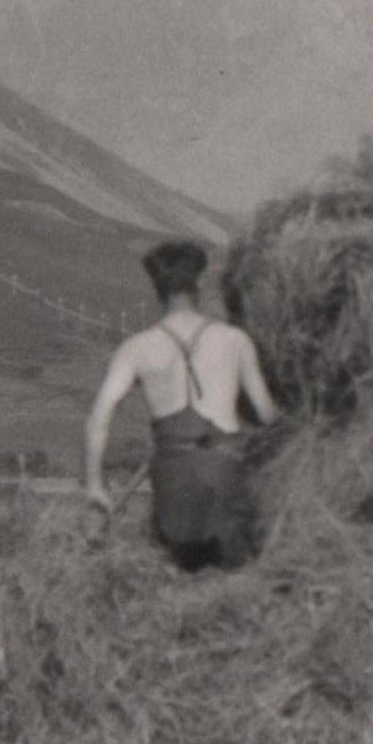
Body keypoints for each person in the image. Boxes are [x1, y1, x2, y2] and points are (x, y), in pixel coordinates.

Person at [83, 239, 276, 571]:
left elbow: (99, 416)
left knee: (176, 576)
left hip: (172, 479)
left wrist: (94, 485)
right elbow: (268, 415)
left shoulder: (136, 348)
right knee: (237, 575)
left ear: (156, 287)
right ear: (199, 282)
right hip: (225, 473)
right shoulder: (234, 340)